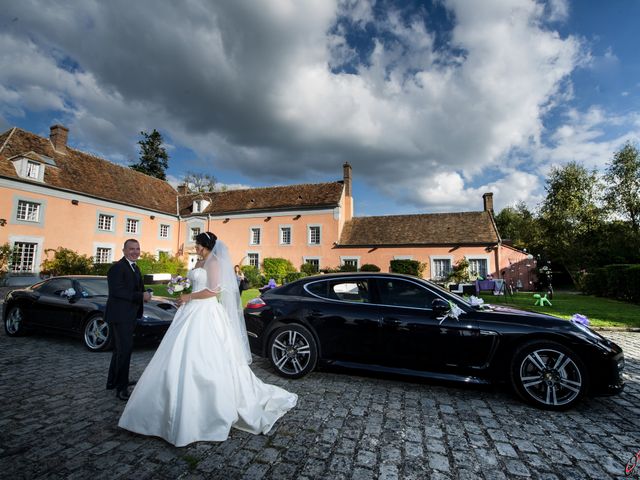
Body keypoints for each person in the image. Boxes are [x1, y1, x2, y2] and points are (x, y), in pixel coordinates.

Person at [118, 232, 297, 446]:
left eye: (197, 244)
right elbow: (194, 284)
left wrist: (189, 296)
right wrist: (182, 292)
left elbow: (213, 291)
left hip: (206, 313)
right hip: (190, 311)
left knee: (205, 356)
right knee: (176, 354)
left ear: (204, 245)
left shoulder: (215, 262)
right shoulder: (200, 261)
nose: (195, 247)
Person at [106, 239, 152, 401]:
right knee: (124, 350)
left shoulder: (134, 267)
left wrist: (146, 294)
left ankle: (113, 381)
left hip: (129, 315)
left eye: (138, 249)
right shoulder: (117, 268)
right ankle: (121, 388)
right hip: (120, 316)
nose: (135, 252)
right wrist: (141, 296)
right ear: (124, 250)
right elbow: (118, 291)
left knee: (119, 350)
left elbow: (137, 288)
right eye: (131, 249)